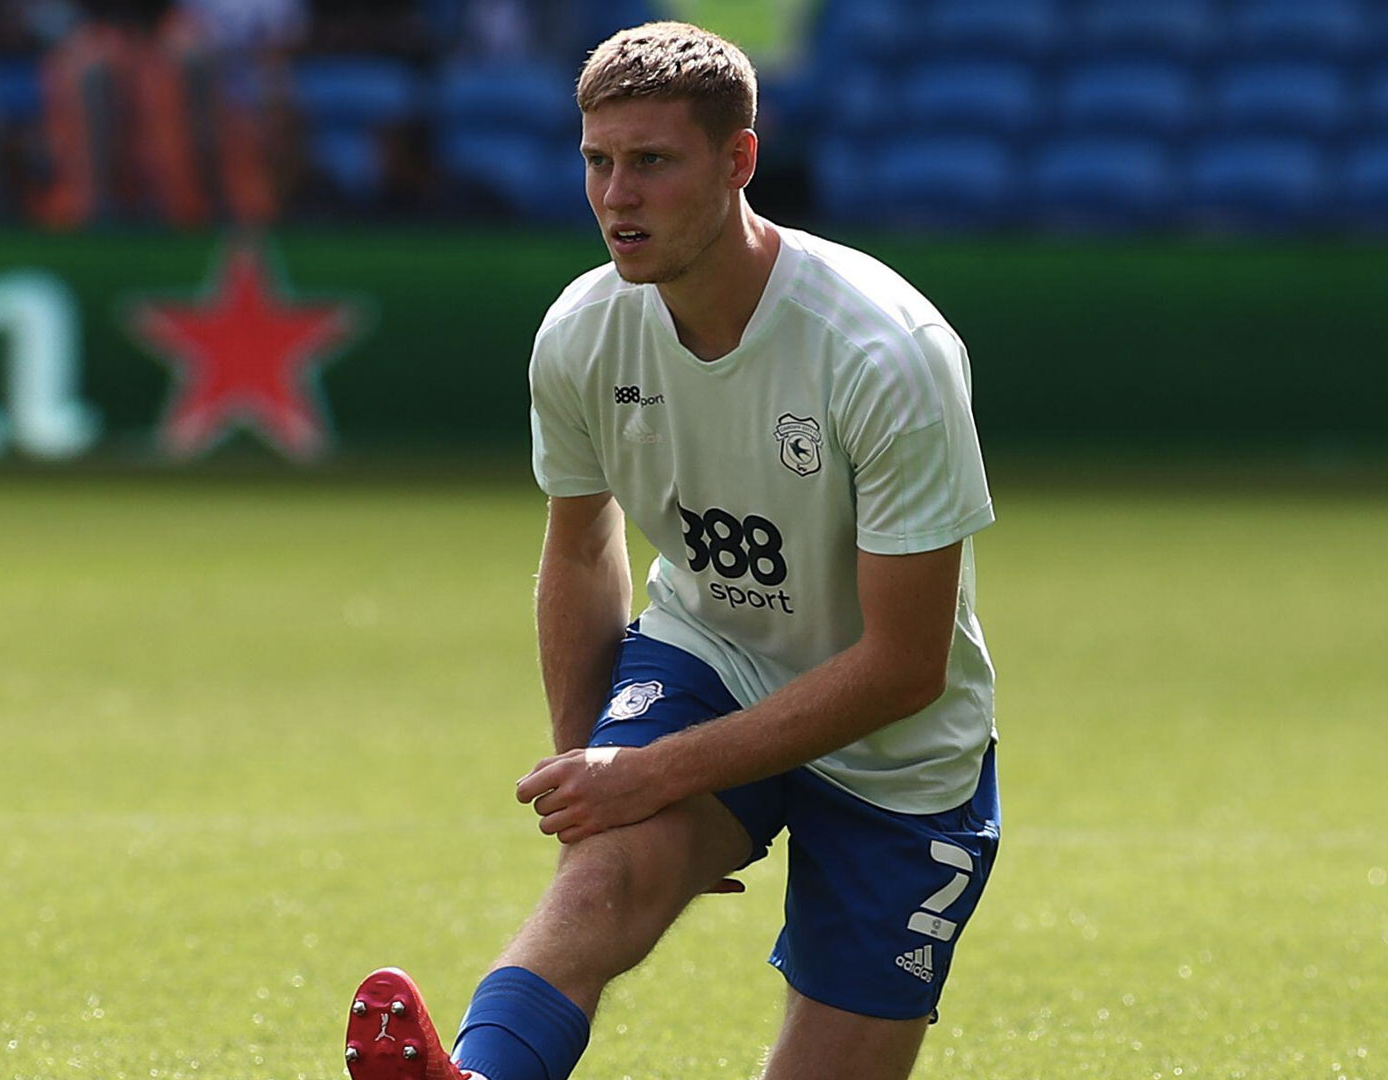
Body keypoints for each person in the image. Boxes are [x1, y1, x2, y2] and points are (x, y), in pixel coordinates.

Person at [345, 20, 999, 1080]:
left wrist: (652, 771)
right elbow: (578, 543)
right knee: (601, 885)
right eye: (599, 163)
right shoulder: (581, 333)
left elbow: (904, 666)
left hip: (896, 750)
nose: (617, 196)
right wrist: (593, 774)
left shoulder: (887, 352)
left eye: (652, 162)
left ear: (739, 160)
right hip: (710, 658)